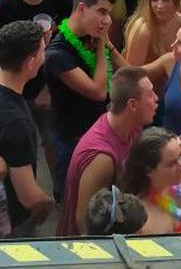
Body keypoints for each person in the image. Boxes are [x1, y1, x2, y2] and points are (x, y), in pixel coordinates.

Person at [0, 20, 54, 236]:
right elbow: (29, 197)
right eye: (43, 52)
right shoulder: (16, 125)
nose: (45, 57)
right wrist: (48, 202)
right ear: (30, 63)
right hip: (8, 215)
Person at [43, 0, 125, 199]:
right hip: (72, 138)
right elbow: (98, 91)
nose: (107, 20)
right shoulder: (57, 53)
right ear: (81, 8)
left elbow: (128, 74)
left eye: (108, 13)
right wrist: (100, 44)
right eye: (101, 12)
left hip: (100, 131)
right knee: (72, 197)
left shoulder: (92, 34)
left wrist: (108, 45)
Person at [59, 66, 159, 235]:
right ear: (132, 105)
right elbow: (85, 222)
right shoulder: (101, 159)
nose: (156, 99)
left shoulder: (132, 128)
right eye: (150, 94)